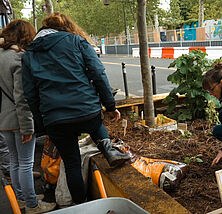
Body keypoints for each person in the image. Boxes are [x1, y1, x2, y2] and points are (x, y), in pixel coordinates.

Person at [22, 13, 130, 204]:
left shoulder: (29, 53)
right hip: (86, 110)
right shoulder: (76, 41)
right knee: (94, 118)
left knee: (71, 164)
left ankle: (82, 205)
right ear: (66, 27)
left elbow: (30, 94)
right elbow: (97, 73)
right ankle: (108, 149)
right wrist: (110, 106)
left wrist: (43, 123)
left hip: (55, 118)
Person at [0, 19, 56, 213]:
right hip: (20, 119)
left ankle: (22, 198)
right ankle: (32, 204)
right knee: (25, 163)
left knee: (15, 162)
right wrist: (27, 127)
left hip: (4, 120)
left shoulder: (0, 56)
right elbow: (22, 97)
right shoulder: (19, 58)